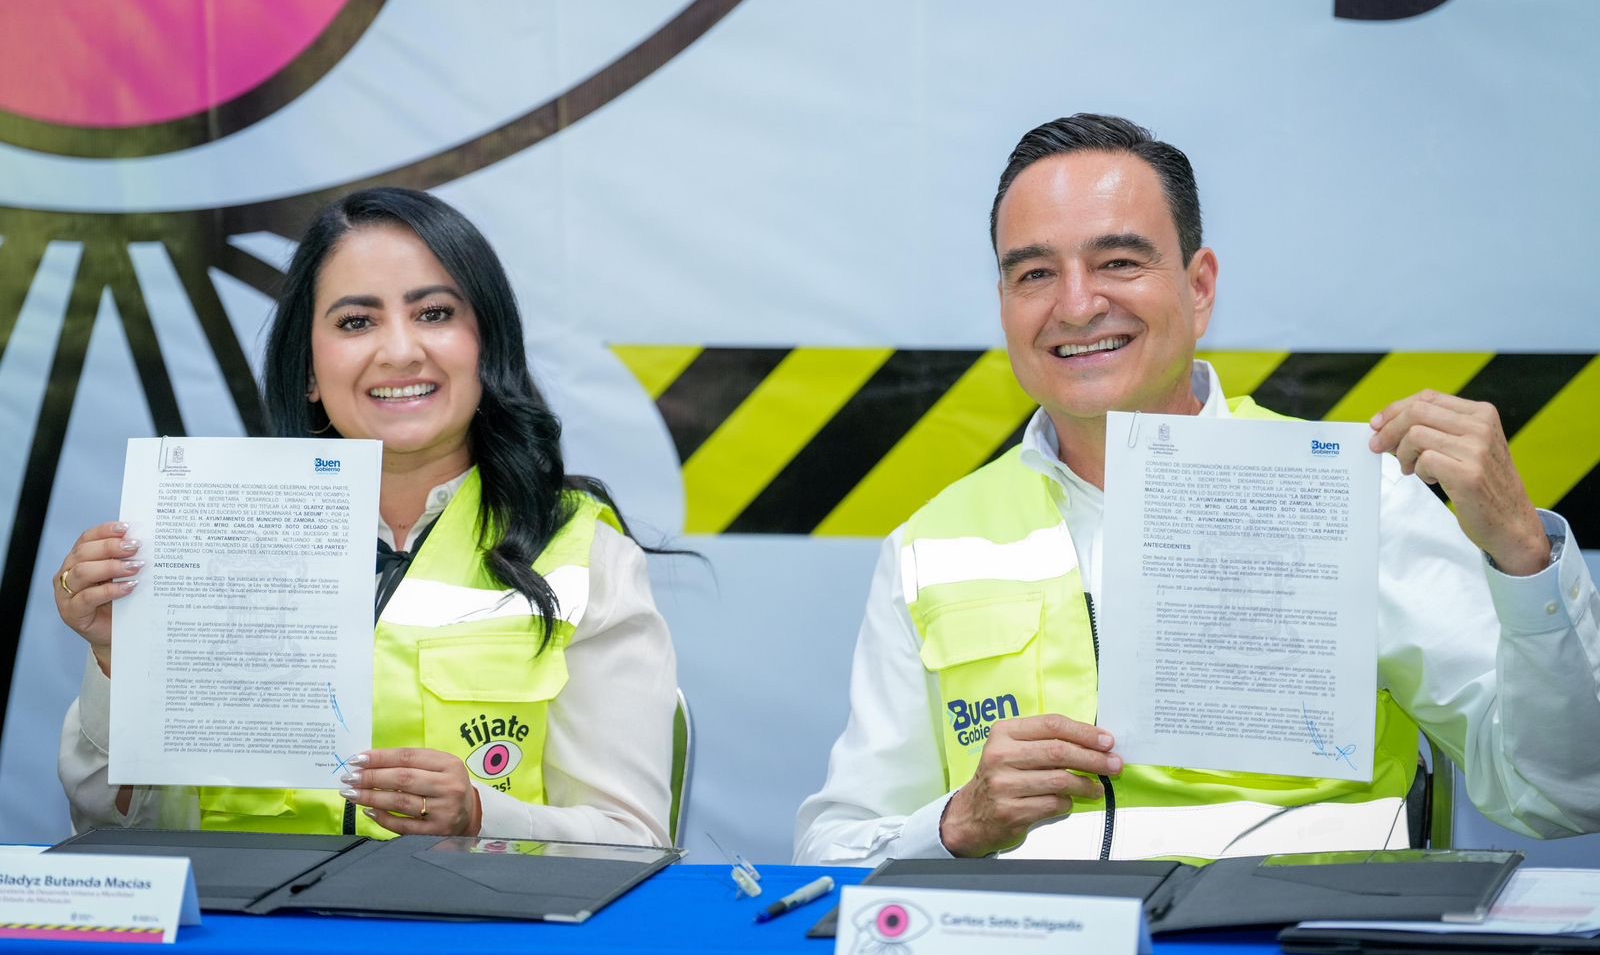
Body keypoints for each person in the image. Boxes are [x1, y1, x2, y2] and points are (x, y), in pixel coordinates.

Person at [795, 114, 1600, 865]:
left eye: (1118, 262)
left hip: (1298, 938)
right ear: (1004, 304)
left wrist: (1524, 557)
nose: (1076, 305)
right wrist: (956, 823)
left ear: (1200, 286)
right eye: (1035, 273)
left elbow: (1562, 793)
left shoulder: (1352, 495)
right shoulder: (930, 545)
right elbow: (833, 850)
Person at [56, 187, 678, 845]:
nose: (400, 351)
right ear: (308, 370)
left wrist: (480, 818)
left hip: (467, 912)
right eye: (357, 322)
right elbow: (111, 827)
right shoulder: (207, 539)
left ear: (486, 345)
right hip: (244, 911)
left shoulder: (581, 554)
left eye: (434, 313)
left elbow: (631, 843)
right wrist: (118, 658)